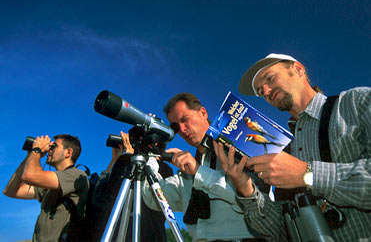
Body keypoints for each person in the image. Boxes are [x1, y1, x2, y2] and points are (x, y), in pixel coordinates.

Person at [216, 53, 371, 241]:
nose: (265, 91)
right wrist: (246, 188)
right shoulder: (283, 151)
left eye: (270, 78)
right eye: (260, 91)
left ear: (298, 69)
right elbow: (280, 231)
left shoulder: (356, 103)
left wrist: (307, 174)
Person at [142, 92, 267, 241]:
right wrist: (148, 153)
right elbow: (153, 197)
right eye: (175, 127)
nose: (182, 129)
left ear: (203, 112)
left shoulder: (240, 150)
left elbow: (259, 203)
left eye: (185, 119)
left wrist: (198, 171)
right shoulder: (186, 175)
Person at [3, 134, 89, 242]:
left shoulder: (76, 175)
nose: (49, 150)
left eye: (54, 147)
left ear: (68, 152)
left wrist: (37, 149)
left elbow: (29, 176)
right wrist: (30, 155)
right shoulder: (50, 183)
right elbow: (11, 191)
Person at [90, 131, 173, 241]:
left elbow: (154, 199)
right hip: (119, 234)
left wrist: (130, 157)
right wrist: (115, 160)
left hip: (149, 236)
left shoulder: (164, 169)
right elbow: (100, 200)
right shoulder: (123, 164)